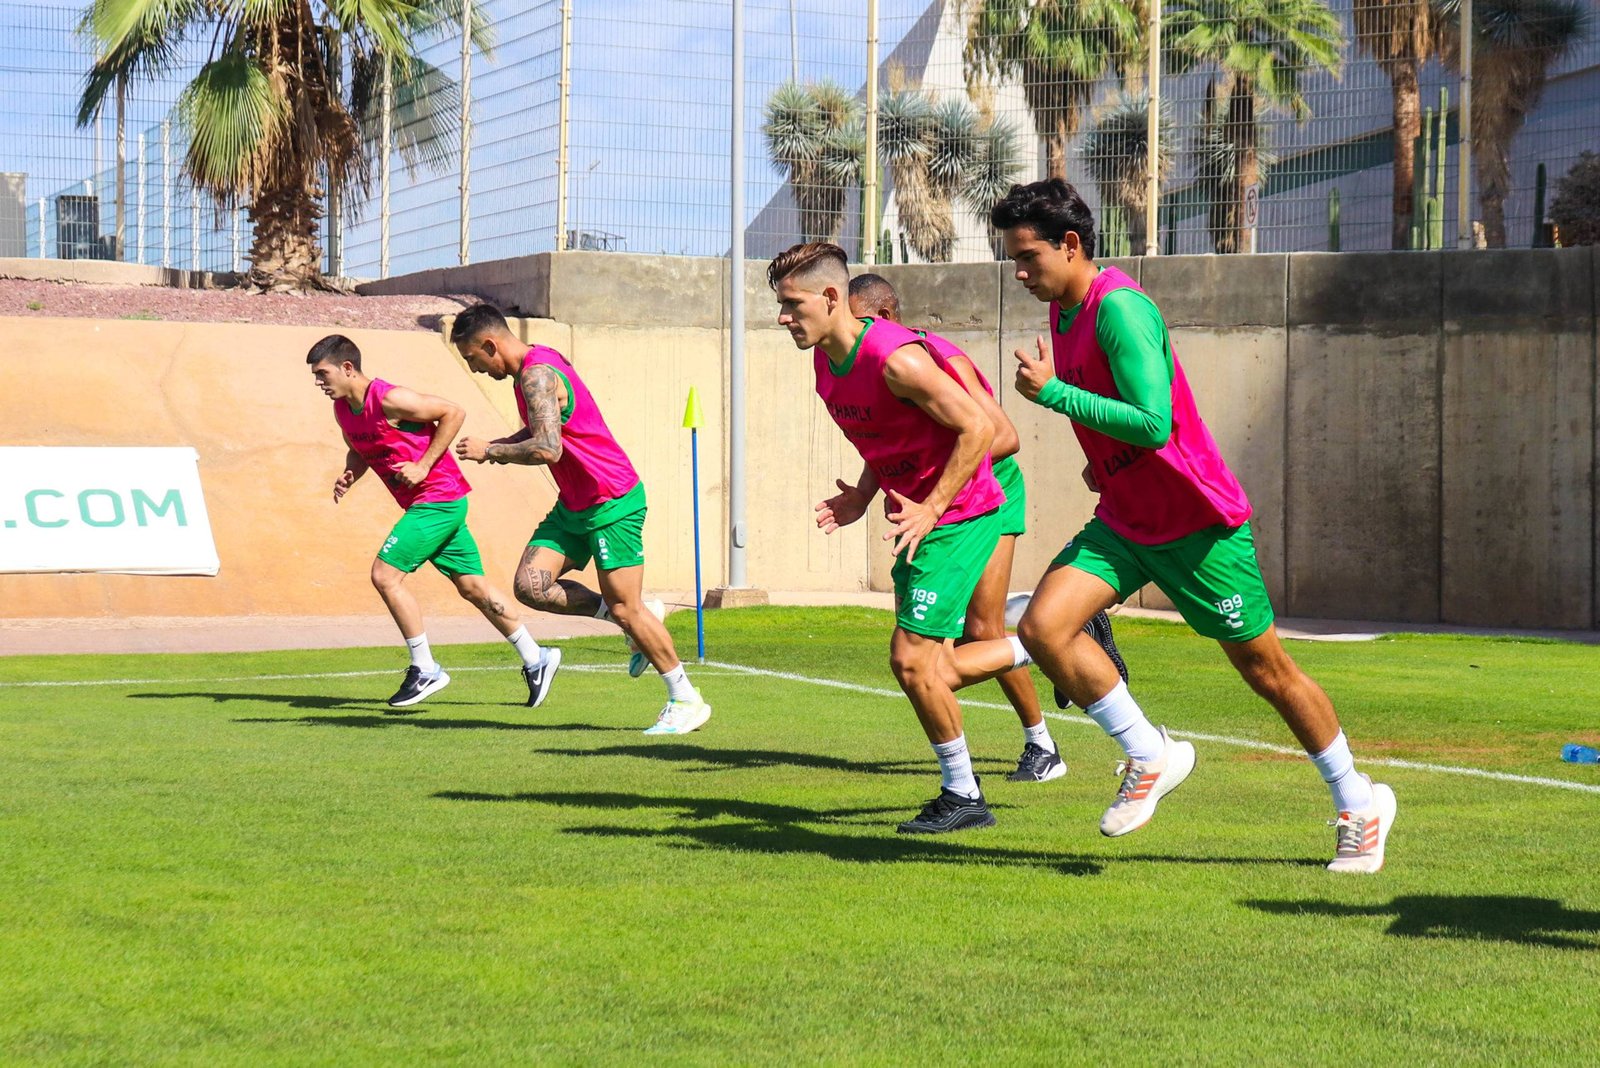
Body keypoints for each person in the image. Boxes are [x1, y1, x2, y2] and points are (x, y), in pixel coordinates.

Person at [992, 179, 1396, 872]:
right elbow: (1120, 422)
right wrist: (1105, 466)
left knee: (1266, 671)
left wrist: (1054, 394)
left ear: (1072, 244)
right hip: (1126, 521)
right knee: (1041, 628)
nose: (1020, 273)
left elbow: (1154, 421)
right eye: (1013, 261)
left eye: (1028, 258)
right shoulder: (1064, 314)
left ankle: (1359, 802)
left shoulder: (1118, 308)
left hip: (1197, 526)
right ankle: (1150, 753)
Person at [774, 242, 1039, 835]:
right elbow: (887, 439)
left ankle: (963, 794)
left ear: (831, 297)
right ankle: (1051, 638)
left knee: (911, 659)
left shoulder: (899, 360)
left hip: (959, 515)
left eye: (791, 304)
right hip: (917, 516)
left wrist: (934, 506)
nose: (782, 317)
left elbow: (982, 428)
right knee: (938, 664)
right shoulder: (825, 362)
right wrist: (862, 496)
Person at [845, 273, 1130, 784]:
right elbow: (897, 438)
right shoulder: (872, 366)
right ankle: (1040, 738)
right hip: (944, 503)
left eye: (857, 320)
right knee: (942, 652)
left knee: (973, 635)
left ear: (885, 318)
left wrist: (938, 480)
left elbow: (1000, 436)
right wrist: (866, 492)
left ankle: (1047, 686)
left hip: (987, 495)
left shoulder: (932, 358)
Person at [447, 304, 710, 736]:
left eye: (475, 358)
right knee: (531, 585)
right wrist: (497, 443)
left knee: (629, 606)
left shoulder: (536, 375)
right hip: (574, 504)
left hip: (611, 500)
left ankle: (685, 698)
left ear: (491, 345)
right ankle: (639, 620)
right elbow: (542, 433)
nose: (477, 369)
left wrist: (490, 451)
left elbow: (547, 449)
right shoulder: (533, 367)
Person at [307, 334, 559, 710]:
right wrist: (350, 472)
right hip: (432, 504)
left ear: (347, 368)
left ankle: (425, 668)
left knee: (385, 576)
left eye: (323, 373)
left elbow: (452, 412)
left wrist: (423, 464)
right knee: (473, 587)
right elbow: (363, 445)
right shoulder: (343, 408)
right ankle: (535, 657)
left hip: (437, 500)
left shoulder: (389, 398)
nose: (319, 382)